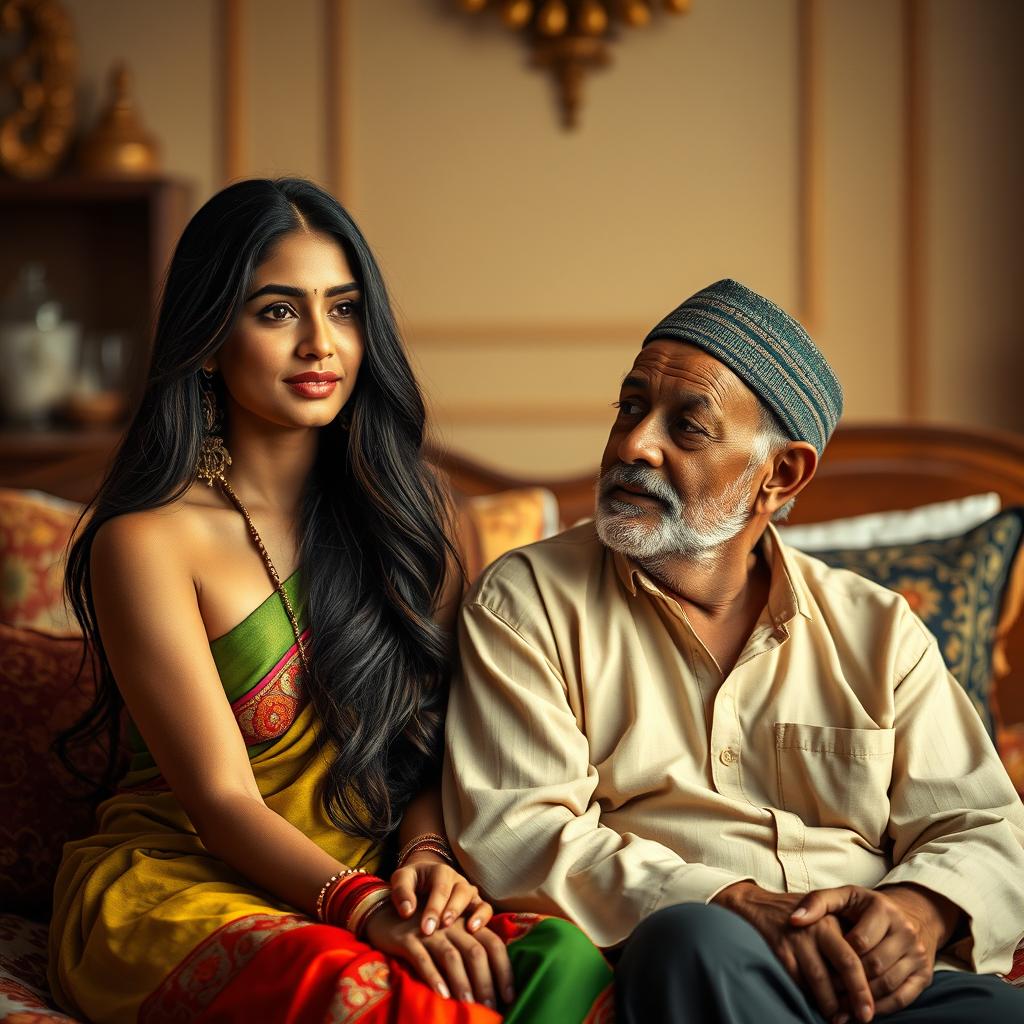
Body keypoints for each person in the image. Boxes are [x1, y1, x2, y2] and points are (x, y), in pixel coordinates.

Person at [48, 178, 612, 1024]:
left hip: (370, 872)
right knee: (376, 998)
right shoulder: (149, 542)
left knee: (558, 960)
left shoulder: (412, 520)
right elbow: (222, 801)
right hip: (187, 886)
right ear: (207, 339)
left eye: (343, 309)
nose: (320, 343)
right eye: (277, 312)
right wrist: (366, 908)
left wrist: (423, 856)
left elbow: (431, 746)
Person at [443, 278, 1024, 1024]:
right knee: (686, 941)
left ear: (780, 477)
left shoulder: (879, 630)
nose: (633, 444)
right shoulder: (527, 601)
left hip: (876, 985)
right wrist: (732, 902)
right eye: (630, 407)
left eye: (687, 428)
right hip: (704, 964)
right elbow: (518, 834)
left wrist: (920, 911)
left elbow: (987, 825)